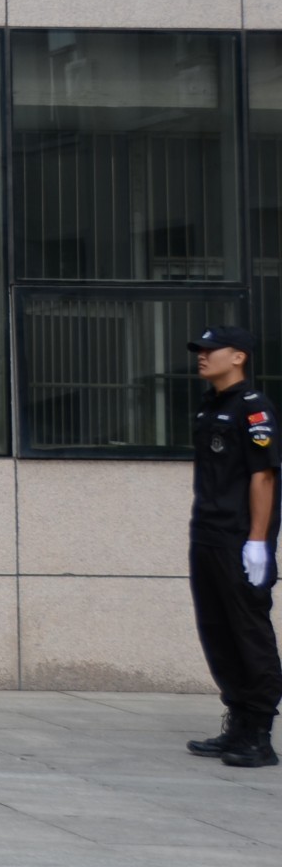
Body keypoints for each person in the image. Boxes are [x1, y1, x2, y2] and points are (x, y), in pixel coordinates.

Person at [182, 327, 279, 769]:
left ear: (238, 356)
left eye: (210, 350)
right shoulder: (210, 406)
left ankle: (259, 734)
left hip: (238, 538)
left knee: (247, 630)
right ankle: (237, 723)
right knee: (216, 630)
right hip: (206, 532)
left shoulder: (253, 408)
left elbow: (264, 476)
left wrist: (257, 541)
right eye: (198, 351)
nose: (201, 356)